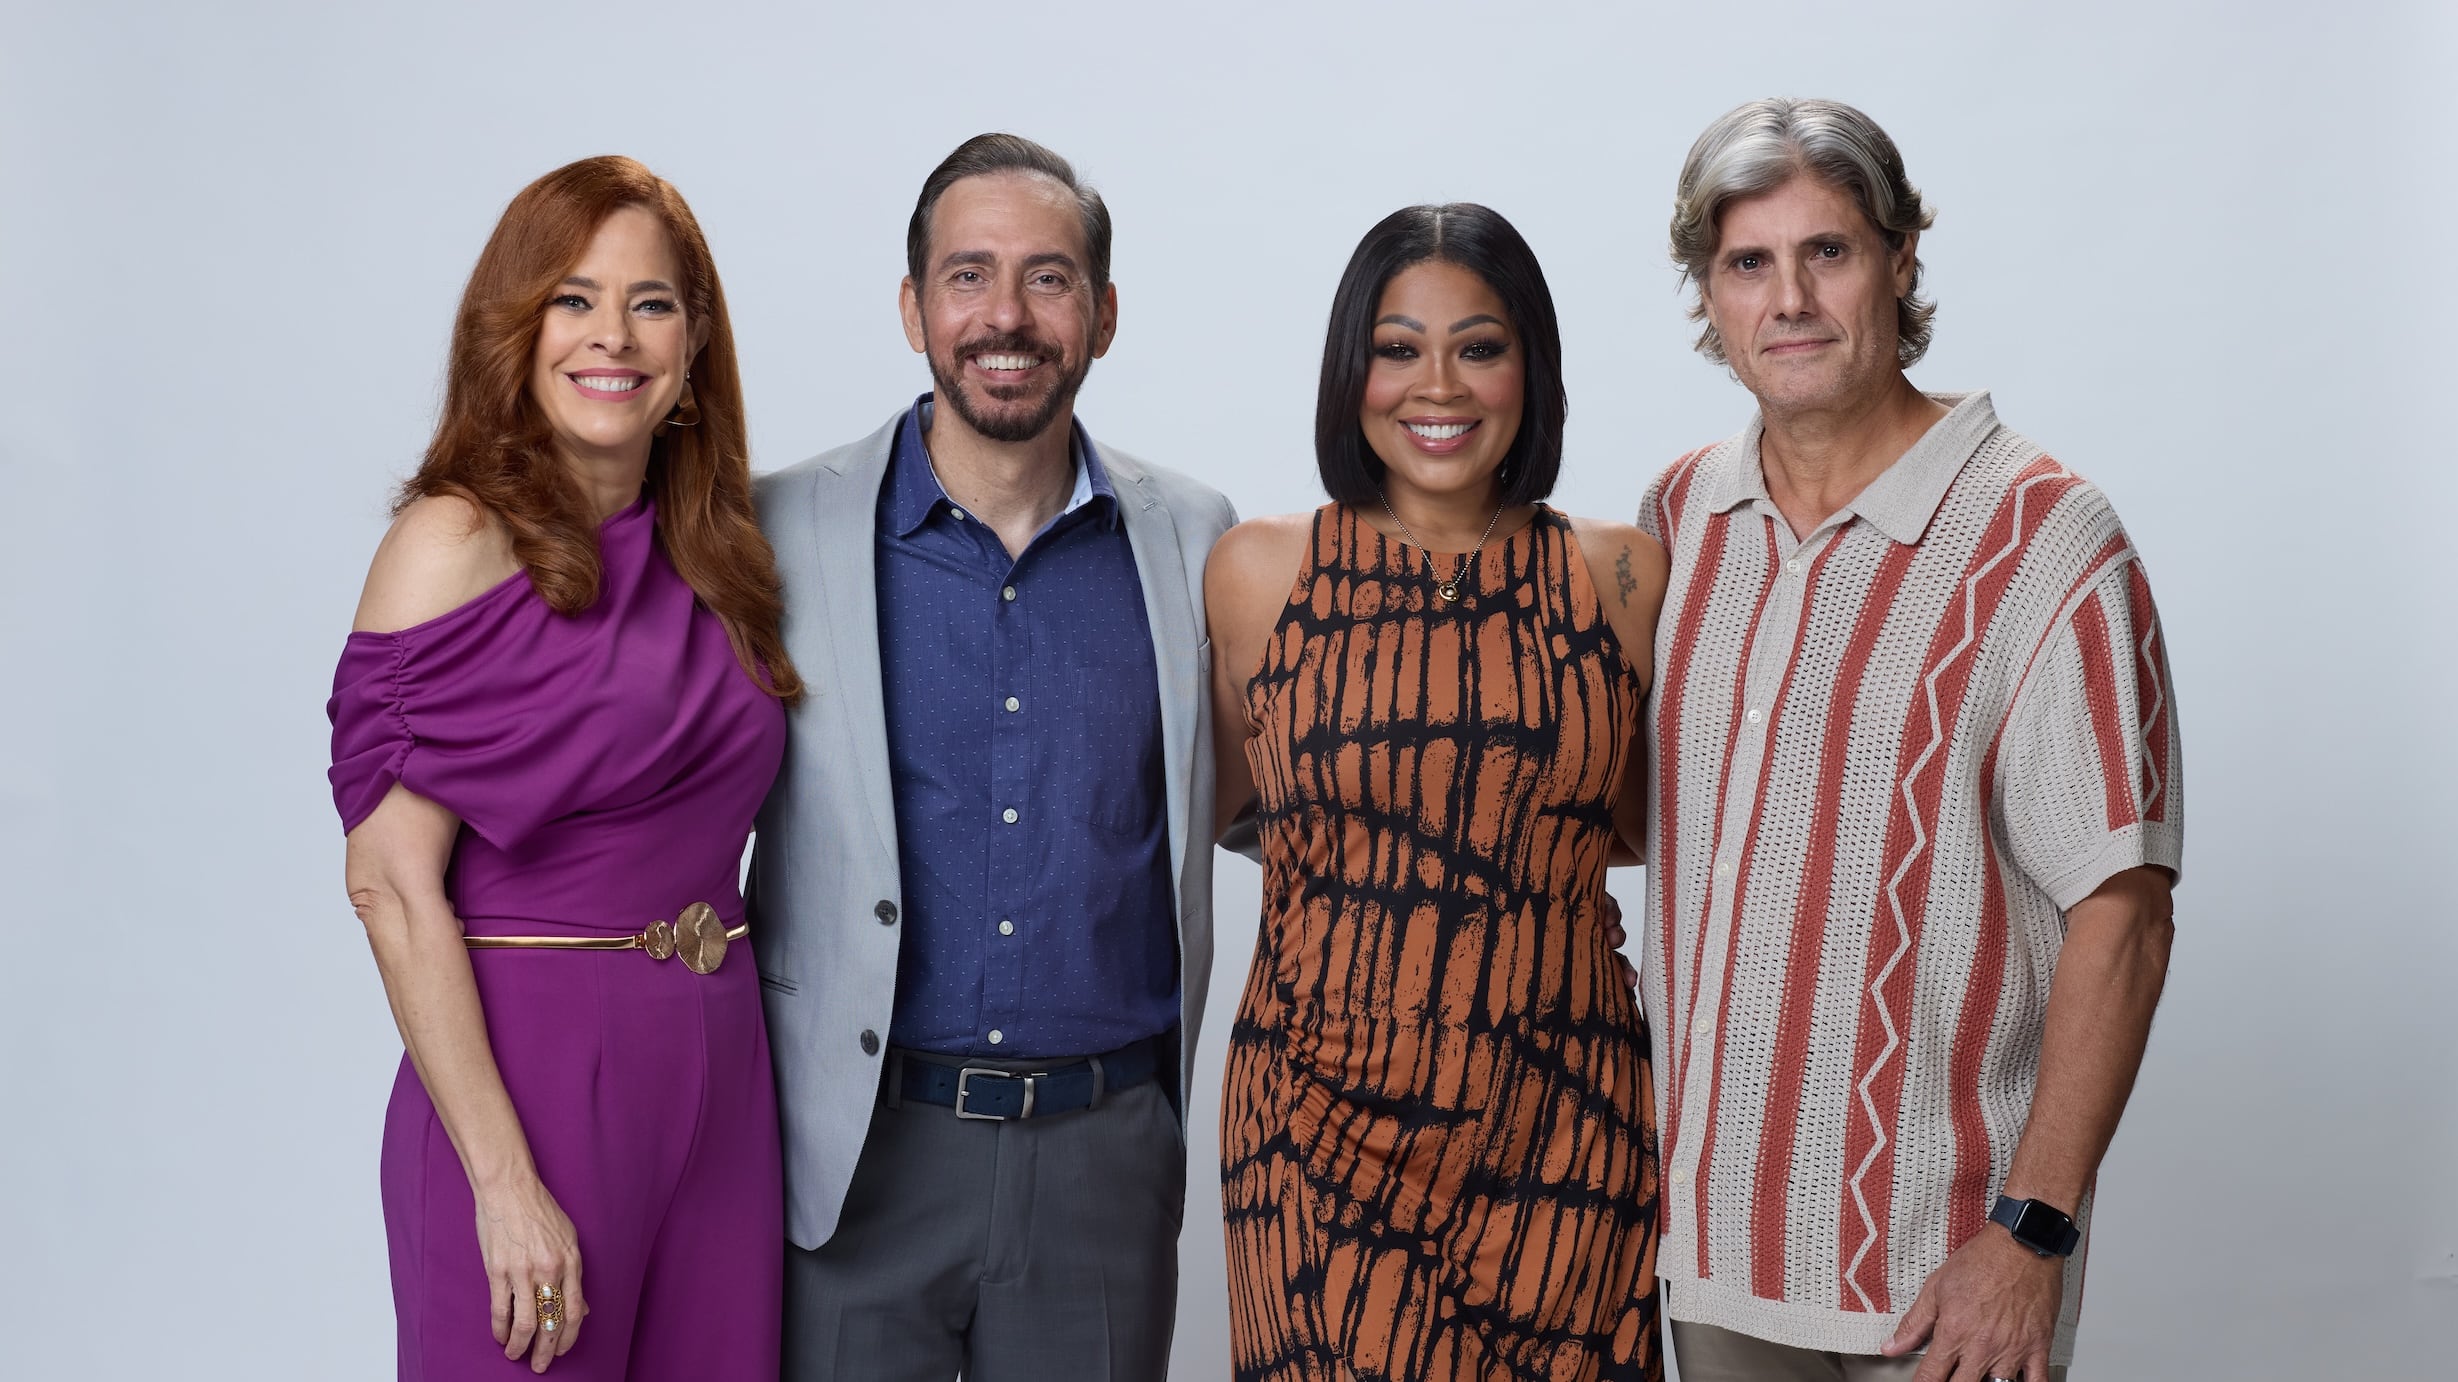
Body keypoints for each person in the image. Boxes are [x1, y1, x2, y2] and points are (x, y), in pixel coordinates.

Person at [1637, 97, 2184, 1382]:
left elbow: (2126, 911)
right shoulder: (1680, 515)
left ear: (1900, 260)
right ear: (1706, 294)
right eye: (1747, 263)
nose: (1790, 299)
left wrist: (2031, 1235)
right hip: (1706, 1255)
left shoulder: (2046, 537)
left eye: (1826, 251)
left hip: (1942, 1276)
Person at [747, 133, 1237, 1381]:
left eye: (1049, 277)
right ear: (912, 307)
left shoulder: (1194, 540)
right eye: (967, 276)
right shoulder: (777, 529)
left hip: (1101, 1158)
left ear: (1105, 314)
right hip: (857, 1154)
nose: (1005, 316)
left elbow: (1270, 799)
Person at [328, 157, 797, 1379]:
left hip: (722, 1076)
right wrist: (503, 1179)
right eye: (573, 298)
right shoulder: (452, 541)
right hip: (530, 1075)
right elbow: (388, 884)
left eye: (651, 303)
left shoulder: (719, 551)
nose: (613, 335)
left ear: (693, 347)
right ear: (517, 328)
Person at [1206, 203, 1669, 1382]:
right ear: (1350, 366)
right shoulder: (1262, 570)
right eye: (1398, 346)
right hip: (1313, 1129)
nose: (1439, 385)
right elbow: (1229, 806)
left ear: (1531, 368)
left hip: (1563, 1128)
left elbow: (1629, 822)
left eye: (1480, 344)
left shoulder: (1618, 572)